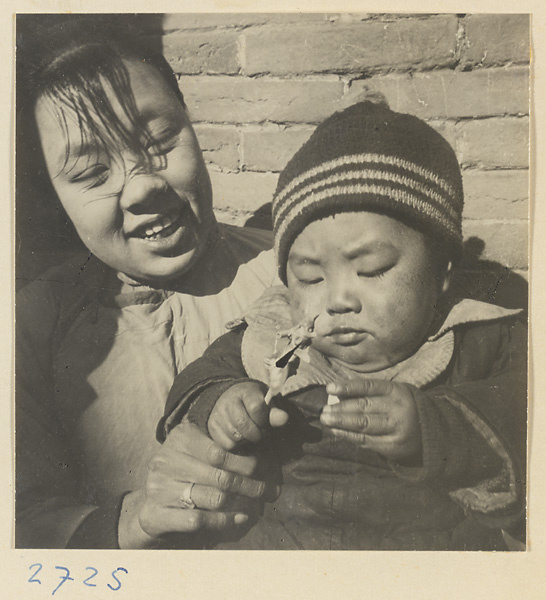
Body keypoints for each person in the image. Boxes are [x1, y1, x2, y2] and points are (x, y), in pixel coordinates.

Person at [159, 100, 528, 550]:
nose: (337, 300)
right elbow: (198, 380)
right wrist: (220, 402)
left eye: (371, 269)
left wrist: (433, 428)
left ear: (443, 271)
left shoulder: (483, 334)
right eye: (310, 277)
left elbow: (524, 416)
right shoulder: (269, 331)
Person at [16, 18, 279, 549]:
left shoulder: (290, 271)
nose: (142, 188)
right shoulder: (30, 329)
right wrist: (128, 521)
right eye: (92, 174)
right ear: (53, 197)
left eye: (159, 142)